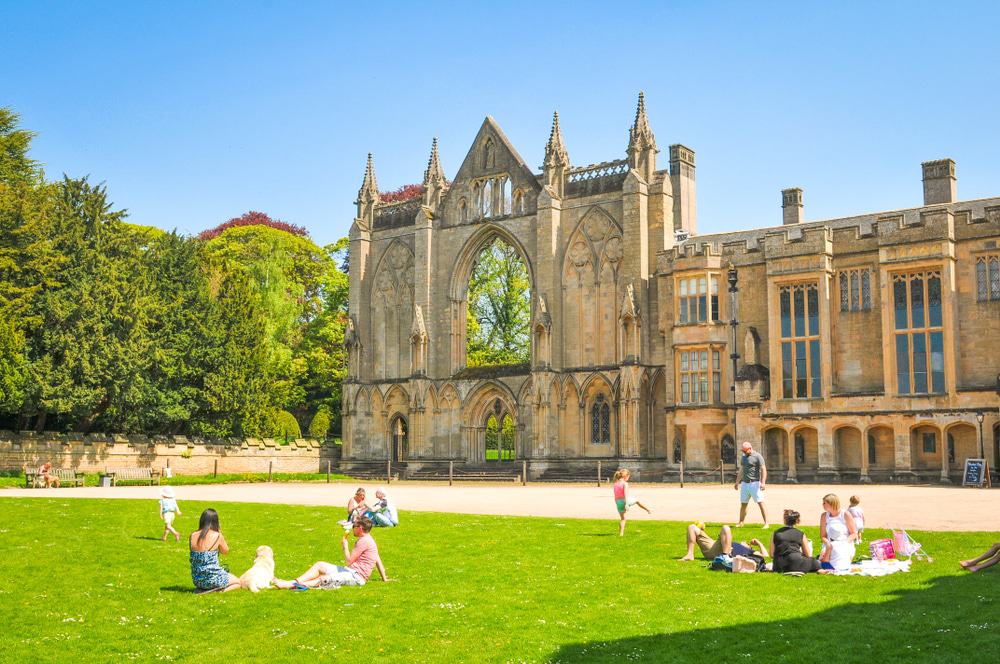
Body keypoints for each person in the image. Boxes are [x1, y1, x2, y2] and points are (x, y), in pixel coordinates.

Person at [275, 516, 389, 589]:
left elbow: (349, 562)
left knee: (324, 578)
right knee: (320, 565)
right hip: (350, 572)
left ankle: (288, 585)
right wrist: (384, 579)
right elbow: (377, 559)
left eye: (354, 526)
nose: (353, 528)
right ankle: (293, 581)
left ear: (360, 528)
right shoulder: (370, 540)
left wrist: (345, 546)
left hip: (357, 577)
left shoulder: (363, 541)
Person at [189, 508, 241, 593]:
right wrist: (220, 532)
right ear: (215, 521)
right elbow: (225, 551)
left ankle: (203, 589)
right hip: (213, 578)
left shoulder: (192, 535)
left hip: (197, 579)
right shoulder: (217, 535)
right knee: (238, 583)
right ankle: (216, 591)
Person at [681, 521, 768, 562]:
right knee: (692, 527)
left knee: (726, 528)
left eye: (747, 543)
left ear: (749, 547)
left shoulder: (749, 551)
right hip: (714, 546)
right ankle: (690, 554)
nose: (745, 541)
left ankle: (725, 557)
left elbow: (766, 556)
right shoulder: (731, 543)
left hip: (720, 551)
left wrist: (759, 543)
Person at [770, 509, 821, 574]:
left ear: (784, 520)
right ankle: (819, 570)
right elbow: (807, 554)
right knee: (814, 561)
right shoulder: (800, 533)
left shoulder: (775, 533)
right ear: (797, 521)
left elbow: (772, 554)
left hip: (778, 566)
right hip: (795, 562)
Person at [819, 493, 858, 571]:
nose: (822, 505)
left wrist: (844, 542)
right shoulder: (824, 516)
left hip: (845, 543)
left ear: (832, 503)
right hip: (829, 543)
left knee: (838, 554)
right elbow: (823, 536)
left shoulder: (845, 514)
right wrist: (827, 544)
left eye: (824, 503)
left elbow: (854, 533)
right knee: (826, 555)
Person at [734, 441, 768, 528]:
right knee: (743, 504)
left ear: (750, 448)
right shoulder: (744, 457)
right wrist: (737, 482)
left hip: (755, 483)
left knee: (760, 503)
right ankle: (741, 522)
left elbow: (763, 469)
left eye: (745, 451)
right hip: (744, 484)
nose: (743, 452)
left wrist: (763, 482)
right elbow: (741, 469)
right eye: (743, 451)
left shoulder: (757, 456)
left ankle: (766, 523)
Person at [612, 468, 651, 537]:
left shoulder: (615, 484)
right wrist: (626, 504)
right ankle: (648, 509)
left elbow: (615, 495)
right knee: (637, 501)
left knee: (623, 518)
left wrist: (616, 503)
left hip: (618, 502)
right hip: (624, 501)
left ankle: (621, 534)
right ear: (625, 476)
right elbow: (626, 494)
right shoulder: (625, 484)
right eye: (628, 477)